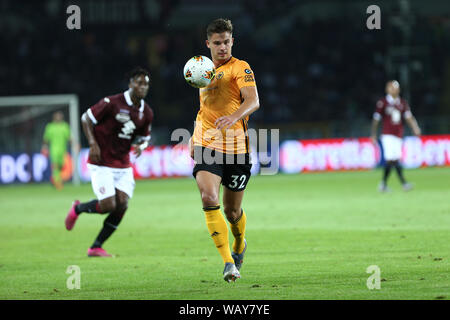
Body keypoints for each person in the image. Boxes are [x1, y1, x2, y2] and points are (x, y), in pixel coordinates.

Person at [190, 18, 260, 282]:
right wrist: (193, 133)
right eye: (217, 43)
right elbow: (205, 107)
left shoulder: (240, 67)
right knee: (209, 198)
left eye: (226, 42)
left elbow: (253, 100)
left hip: (236, 148)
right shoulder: (202, 70)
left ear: (233, 42)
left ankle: (239, 243)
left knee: (232, 213)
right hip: (207, 144)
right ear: (208, 44)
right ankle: (228, 263)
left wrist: (234, 116)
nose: (222, 47)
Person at [65, 67, 154, 257]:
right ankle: (78, 208)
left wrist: (142, 146)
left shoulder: (146, 112)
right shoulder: (112, 103)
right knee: (108, 205)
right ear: (130, 84)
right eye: (139, 82)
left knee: (122, 204)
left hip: (123, 164)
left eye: (146, 83)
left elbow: (145, 137)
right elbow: (86, 118)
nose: (143, 87)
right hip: (101, 161)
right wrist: (92, 143)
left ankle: (96, 246)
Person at [370, 80, 421, 192]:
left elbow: (409, 117)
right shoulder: (383, 102)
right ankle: (403, 183)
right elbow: (376, 119)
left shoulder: (402, 103)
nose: (394, 89)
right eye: (392, 87)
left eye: (396, 87)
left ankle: (384, 184)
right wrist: (373, 134)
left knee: (394, 159)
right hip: (387, 135)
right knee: (391, 159)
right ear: (387, 89)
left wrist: (415, 127)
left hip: (398, 135)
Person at [41, 111, 71, 190]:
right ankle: (57, 182)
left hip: (63, 150)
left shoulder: (65, 126)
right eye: (57, 116)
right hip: (53, 149)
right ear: (54, 118)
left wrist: (75, 145)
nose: (58, 118)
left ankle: (55, 179)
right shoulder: (50, 127)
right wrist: (44, 147)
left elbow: (69, 137)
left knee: (61, 166)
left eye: (60, 116)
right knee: (55, 166)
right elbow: (46, 139)